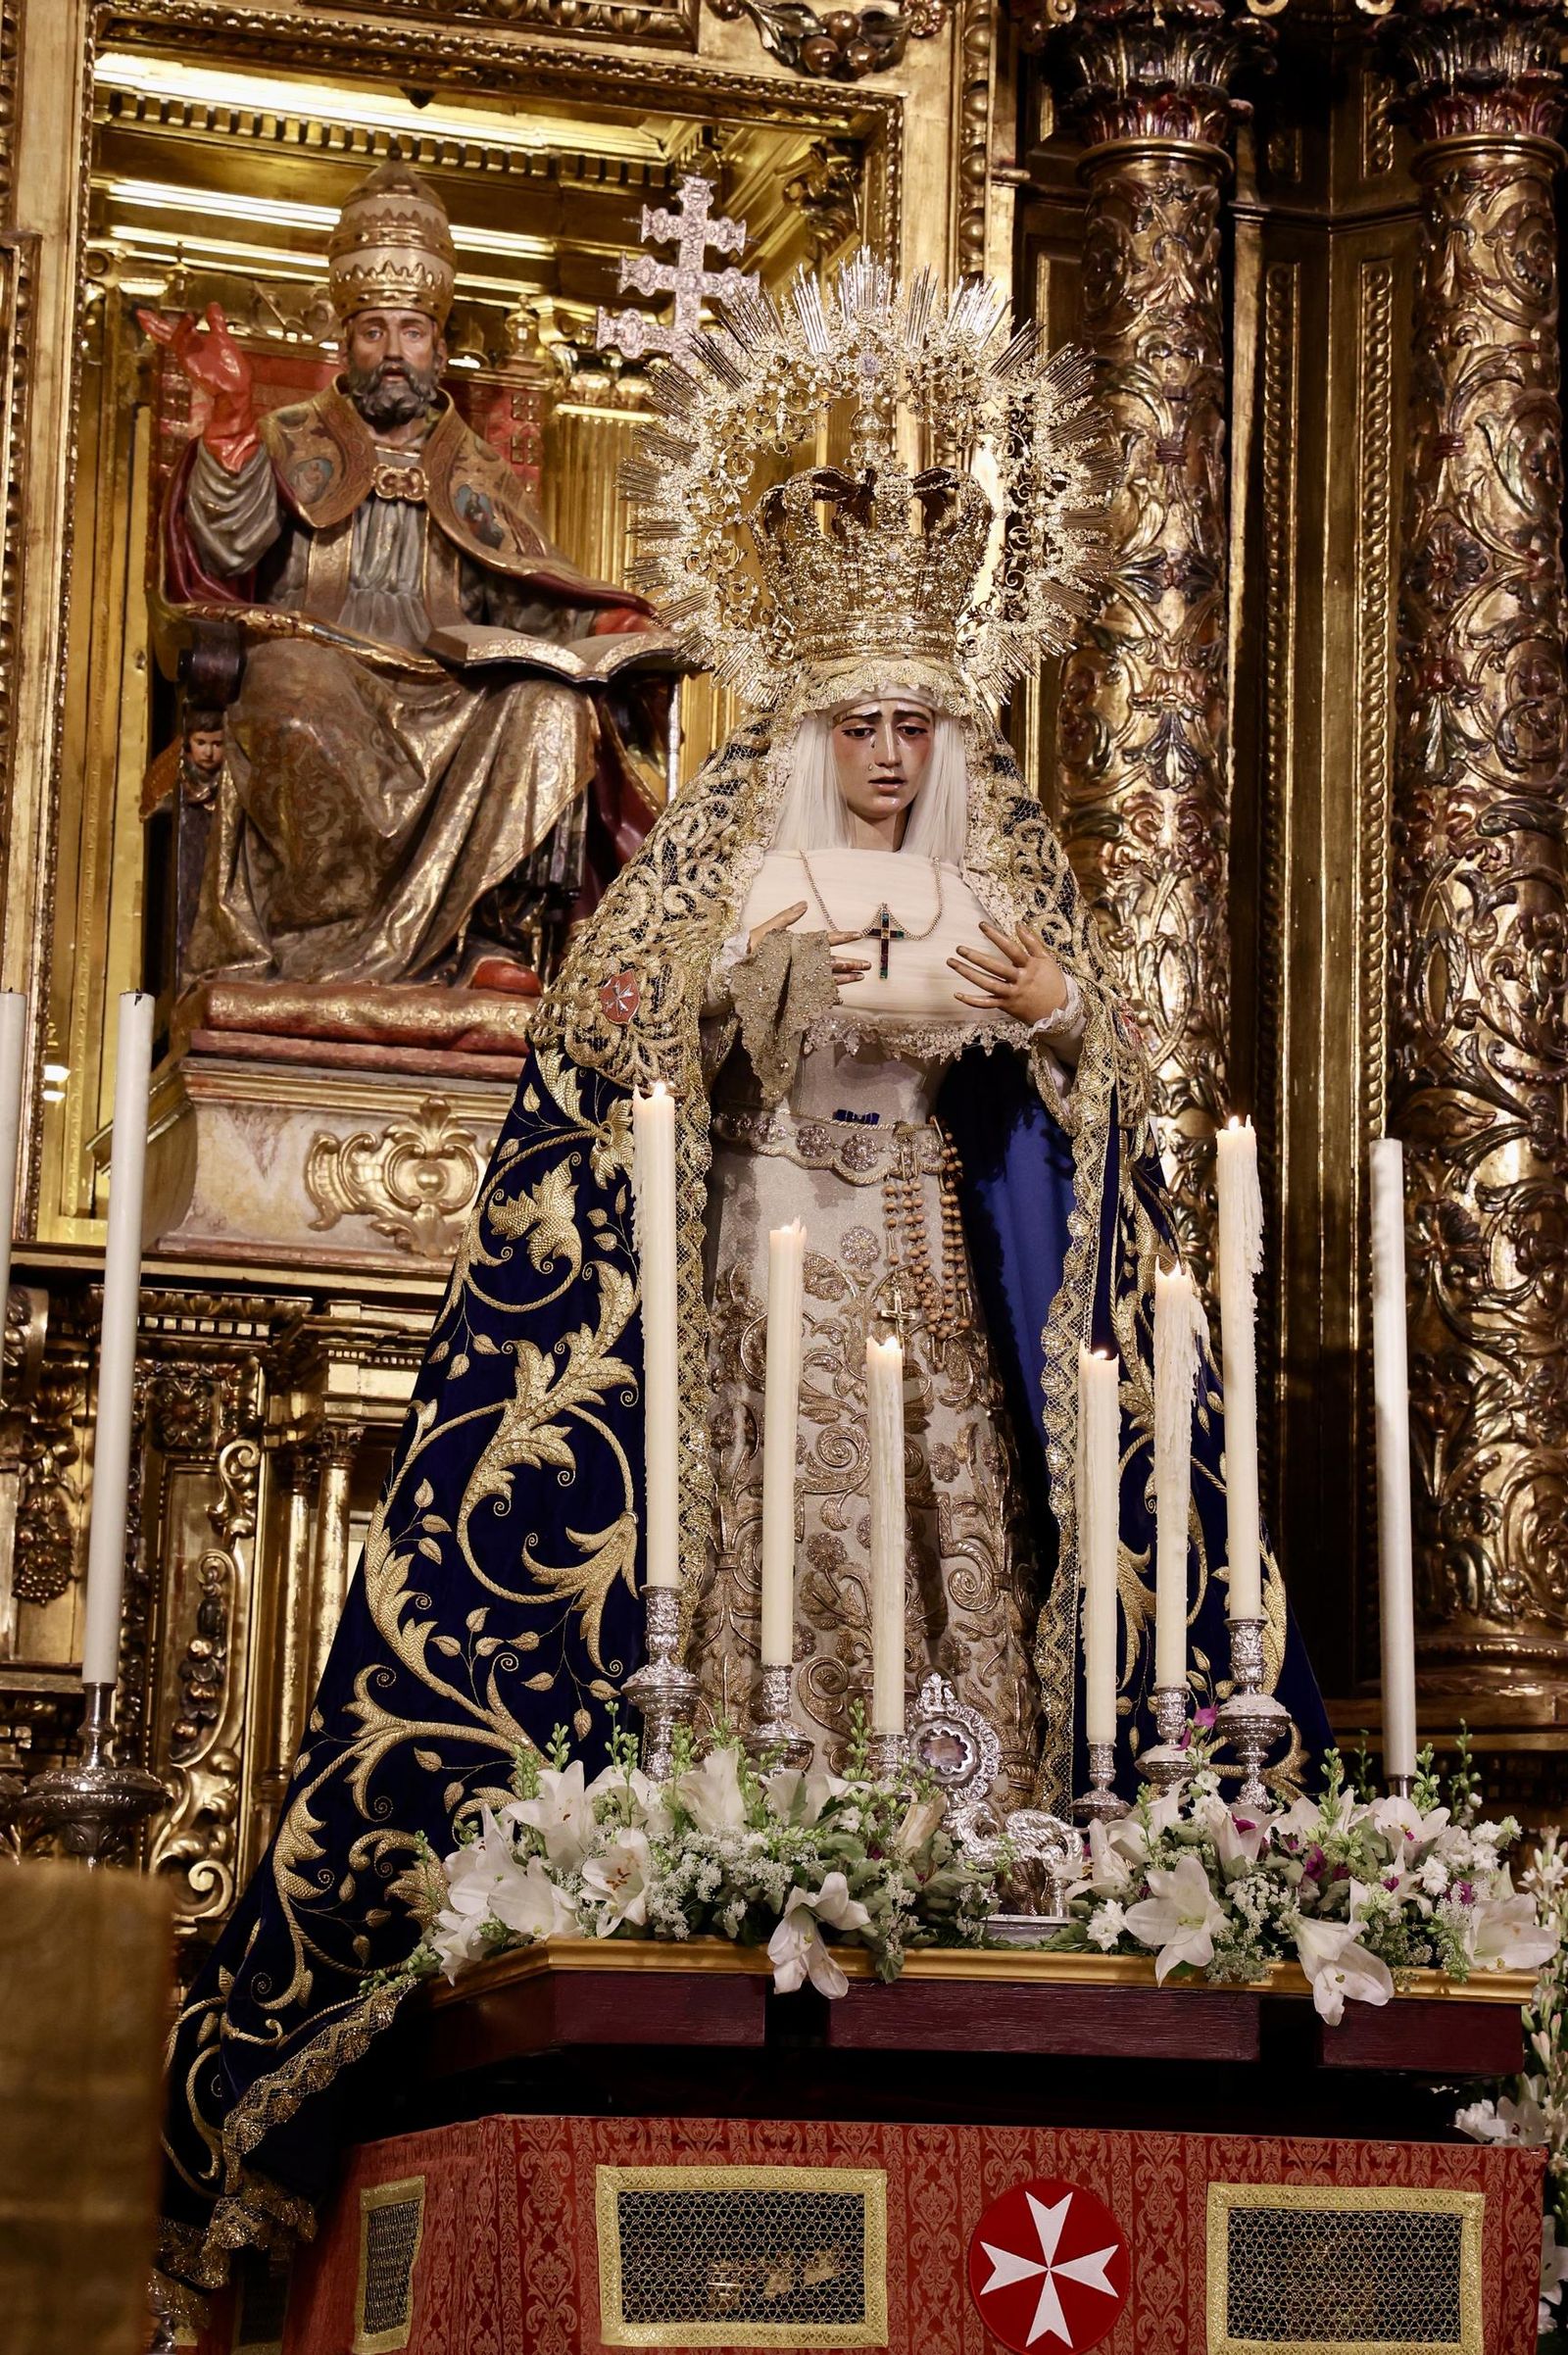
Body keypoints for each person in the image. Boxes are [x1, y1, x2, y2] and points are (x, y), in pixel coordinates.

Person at [158, 254, 1329, 2290]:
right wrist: (740, 1001)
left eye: (913, 723)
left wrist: (1062, 1023)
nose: (885, 755)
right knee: (777, 1561)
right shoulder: (720, 843)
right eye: (857, 721)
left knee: (958, 1549)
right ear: (811, 715)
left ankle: (965, 1887)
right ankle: (748, 1875)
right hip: (766, 1269)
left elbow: (1113, 1095)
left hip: (932, 1279)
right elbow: (606, 1043)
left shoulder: (1009, 859)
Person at [144, 159, 667, 992]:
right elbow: (226, 545)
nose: (393, 352)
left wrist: (613, 629)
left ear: (440, 346)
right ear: (344, 341)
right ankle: (311, 950)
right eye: (374, 331)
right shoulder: (290, 438)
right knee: (291, 694)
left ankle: (486, 938)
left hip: (446, 697)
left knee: (548, 712)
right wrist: (233, 420)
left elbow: (532, 598)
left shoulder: (478, 471)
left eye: (412, 332)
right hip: (321, 668)